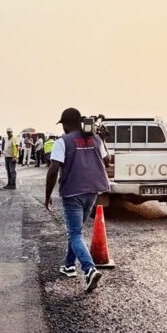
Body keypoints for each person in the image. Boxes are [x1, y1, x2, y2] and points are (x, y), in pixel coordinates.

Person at [44, 108, 110, 293]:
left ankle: (89, 270)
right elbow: (107, 161)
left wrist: (47, 196)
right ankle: (69, 265)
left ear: (66, 124)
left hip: (73, 192)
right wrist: (102, 139)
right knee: (76, 232)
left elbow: (53, 170)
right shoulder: (95, 139)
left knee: (75, 234)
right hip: (93, 191)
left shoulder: (62, 141)